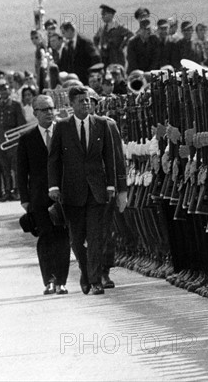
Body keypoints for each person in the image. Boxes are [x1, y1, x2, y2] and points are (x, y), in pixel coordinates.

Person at [48, 86, 116, 295]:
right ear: (71, 105)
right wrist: (54, 186)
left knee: (95, 237)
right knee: (76, 240)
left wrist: (111, 185)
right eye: (81, 101)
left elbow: (110, 156)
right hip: (72, 192)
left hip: (96, 191)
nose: (86, 104)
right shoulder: (62, 127)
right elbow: (54, 159)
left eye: (87, 100)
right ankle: (86, 272)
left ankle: (95, 281)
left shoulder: (102, 125)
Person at [17, 94, 70, 295]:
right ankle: (49, 279)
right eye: (44, 109)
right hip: (39, 197)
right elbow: (22, 172)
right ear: (35, 113)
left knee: (63, 238)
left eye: (51, 108)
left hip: (63, 195)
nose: (49, 112)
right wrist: (25, 200)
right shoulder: (27, 138)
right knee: (46, 237)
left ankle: (62, 281)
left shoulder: (64, 131)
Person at [86, 87, 127, 289]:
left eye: (90, 101)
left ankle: (103, 271)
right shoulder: (68, 126)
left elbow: (117, 158)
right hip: (79, 189)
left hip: (104, 186)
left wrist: (122, 189)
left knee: (104, 231)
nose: (87, 105)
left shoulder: (107, 125)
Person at [0, 80, 26, 201]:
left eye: (5, 89)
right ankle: (7, 190)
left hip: (12, 138)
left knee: (15, 166)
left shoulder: (15, 105)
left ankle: (17, 190)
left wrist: (19, 138)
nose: (3, 92)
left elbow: (21, 122)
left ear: (9, 90)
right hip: (0, 139)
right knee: (4, 167)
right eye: (1, 90)